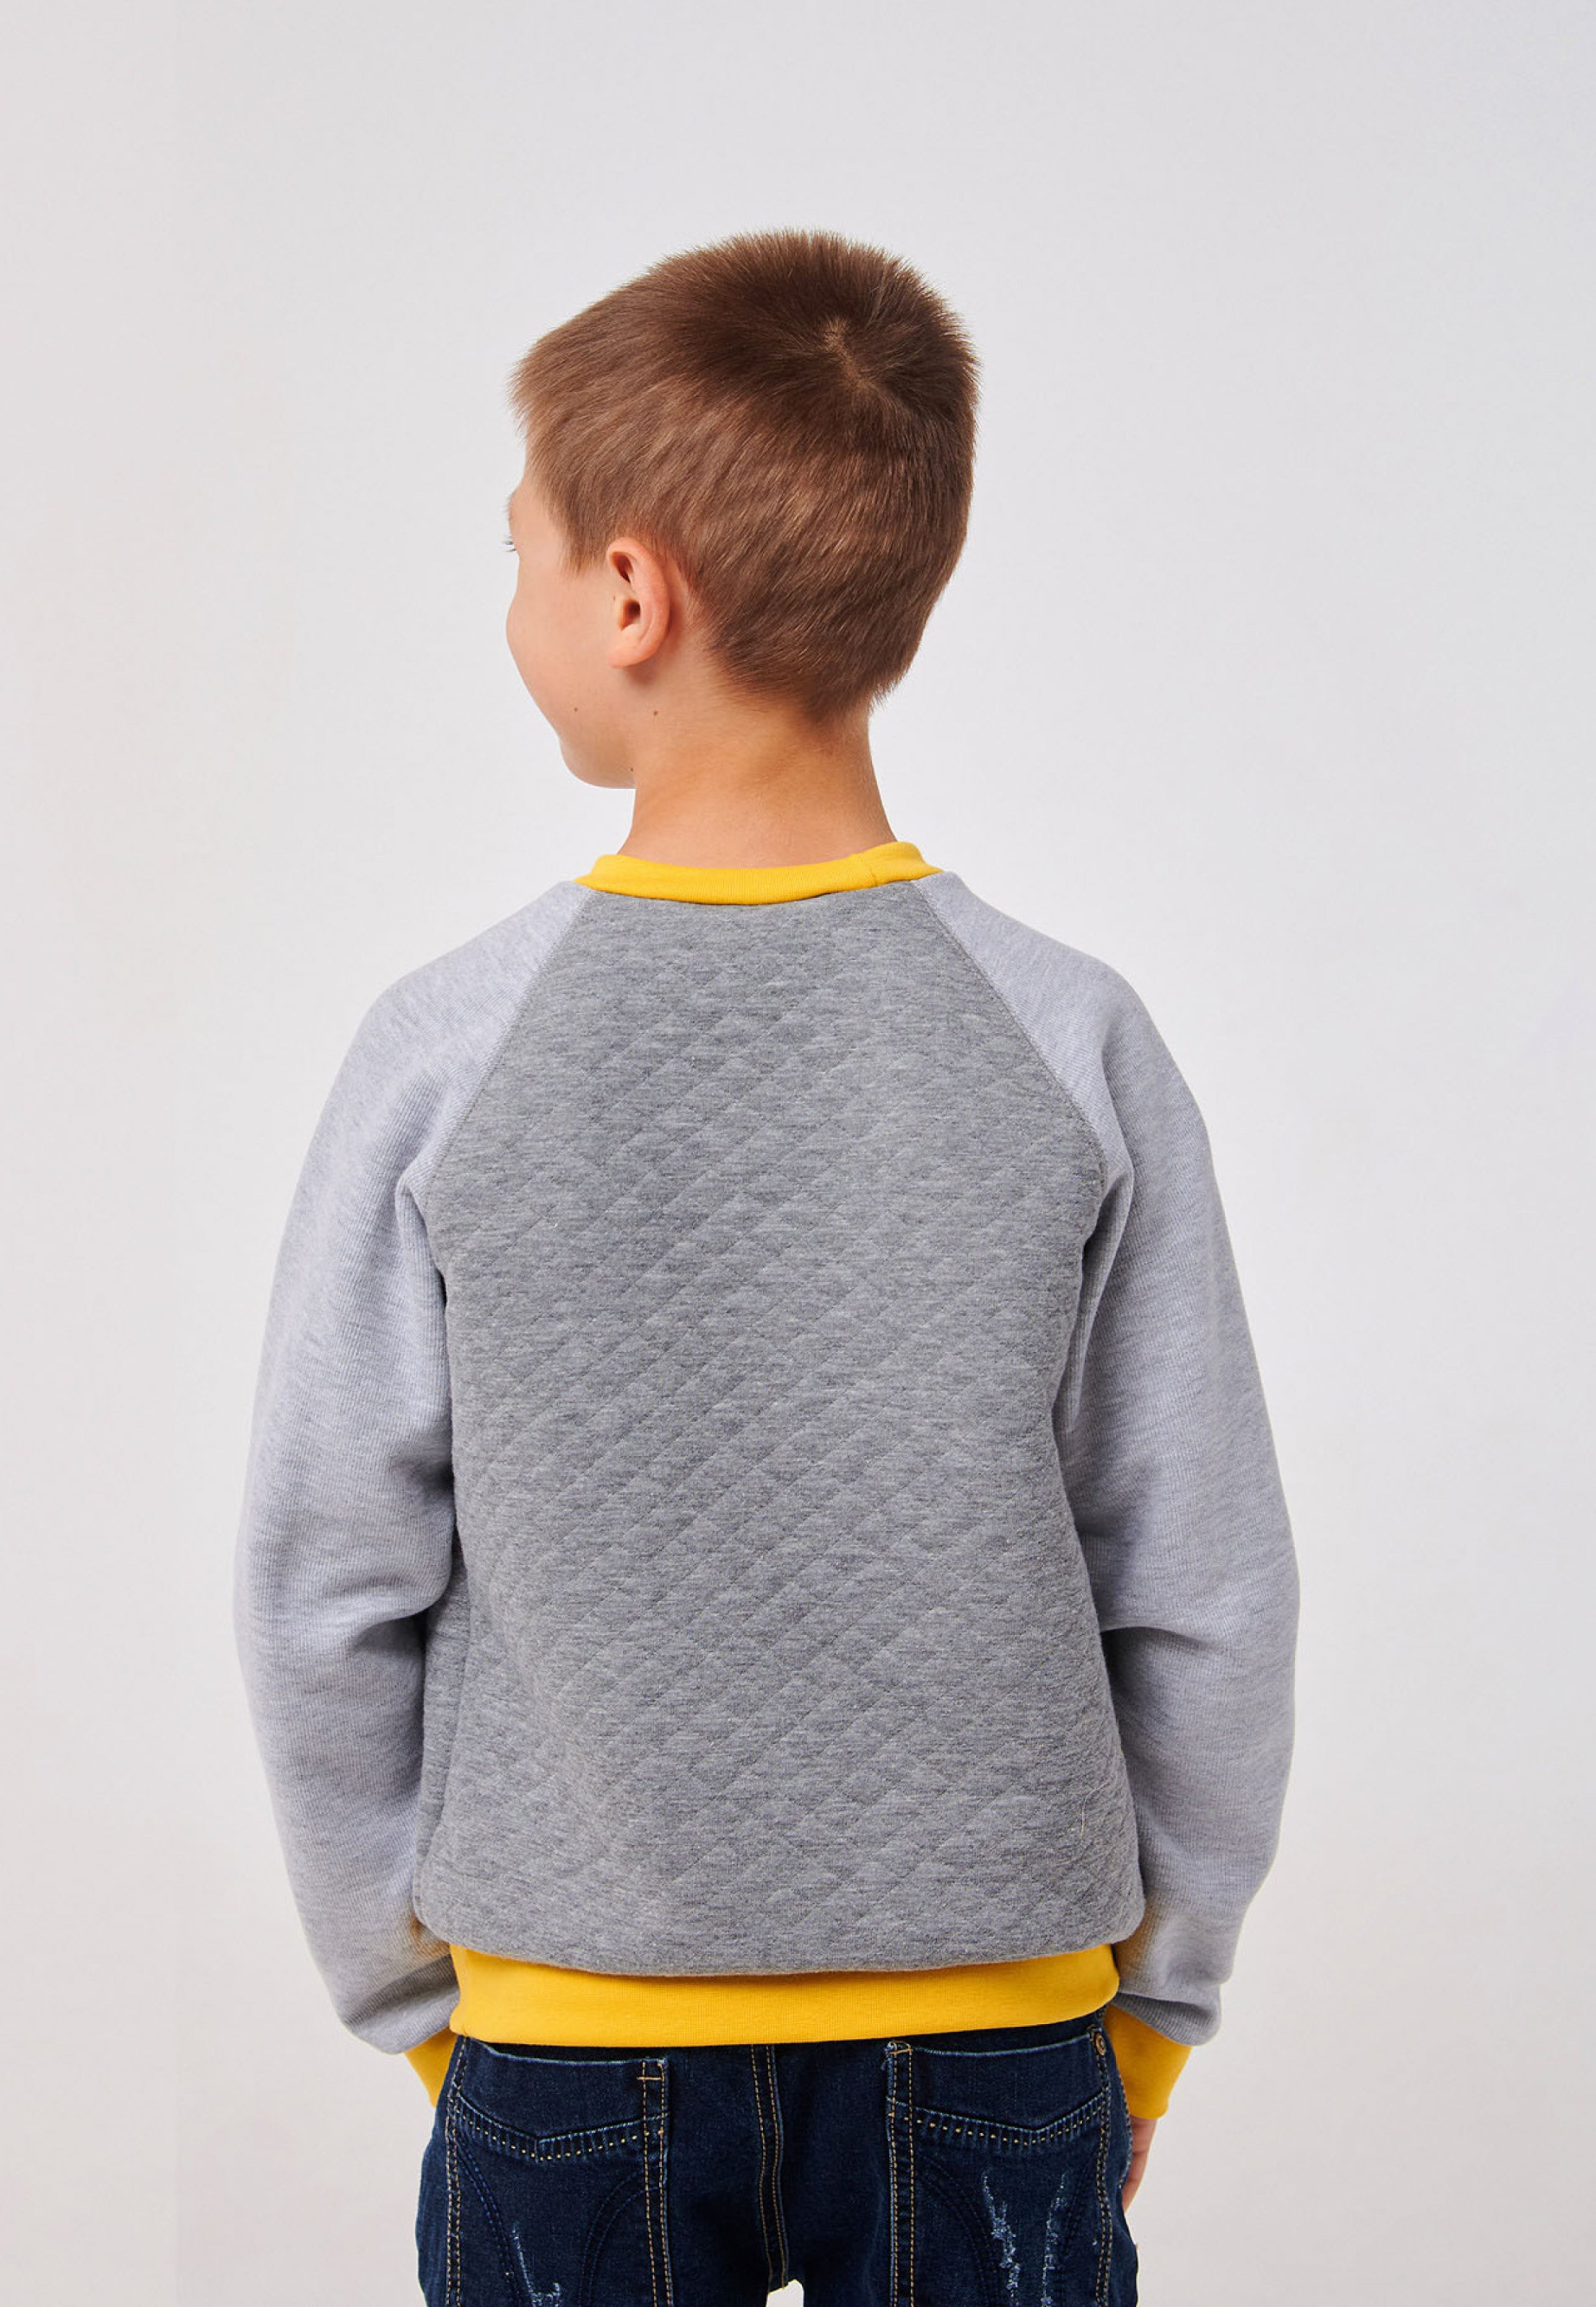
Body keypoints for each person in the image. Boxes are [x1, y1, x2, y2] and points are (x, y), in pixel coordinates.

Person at [233, 227, 1299, 2307]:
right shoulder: (1071, 1038)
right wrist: (1157, 2003)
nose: (515, 600)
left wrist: (418, 2001)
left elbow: (323, 1579)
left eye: (522, 552)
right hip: (998, 2038)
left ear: (628, 594)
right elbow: (1199, 1580)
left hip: (570, 2040)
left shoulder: (444, 1054)